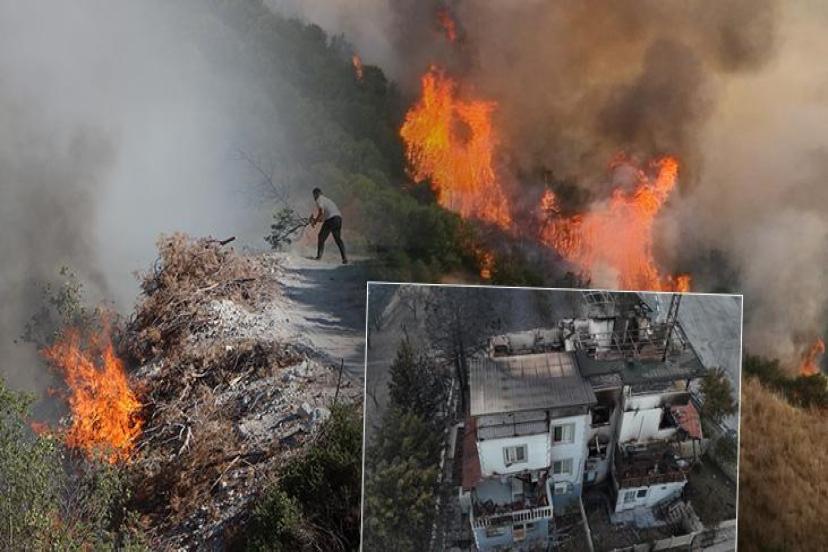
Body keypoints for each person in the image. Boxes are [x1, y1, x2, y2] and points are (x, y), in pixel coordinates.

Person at [311, 188, 347, 264]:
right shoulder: (327, 200)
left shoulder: (319, 199)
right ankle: (344, 258)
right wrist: (315, 220)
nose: (314, 197)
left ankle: (319, 256)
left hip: (331, 219)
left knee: (321, 236)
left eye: (314, 195)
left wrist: (314, 222)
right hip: (338, 218)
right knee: (338, 239)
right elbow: (323, 219)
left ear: (316, 194)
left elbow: (321, 212)